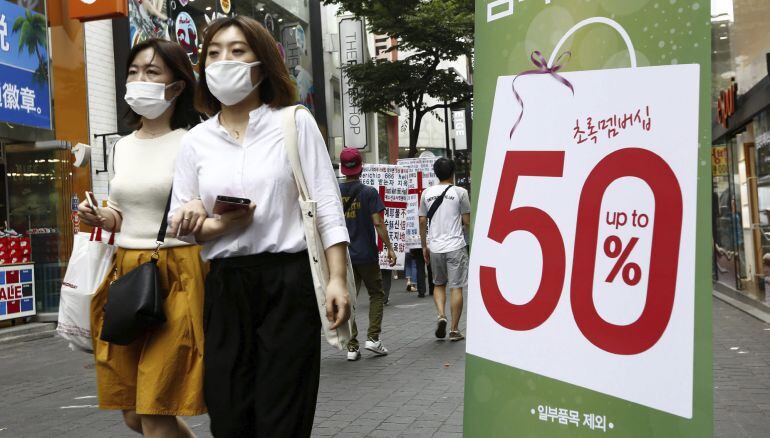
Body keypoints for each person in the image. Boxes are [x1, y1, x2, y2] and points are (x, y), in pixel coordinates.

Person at [168, 16, 351, 437]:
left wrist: (337, 278)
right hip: (225, 286)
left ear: (262, 62)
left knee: (282, 416)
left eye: (237, 51)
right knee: (229, 415)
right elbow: (183, 227)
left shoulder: (293, 122)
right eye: (213, 53)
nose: (223, 61)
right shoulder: (195, 142)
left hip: (288, 282)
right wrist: (211, 219)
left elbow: (325, 204)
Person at [78, 39, 207, 437]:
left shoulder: (195, 141)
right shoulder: (121, 147)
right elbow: (121, 211)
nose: (140, 80)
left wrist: (199, 209)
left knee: (156, 407)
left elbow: (209, 204)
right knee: (133, 411)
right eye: (134, 72)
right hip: (127, 275)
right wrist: (101, 215)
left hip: (178, 272)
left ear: (178, 85)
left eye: (152, 72)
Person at [338, 147, 396, 361]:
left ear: (343, 169)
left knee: (350, 299)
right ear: (361, 167)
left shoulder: (335, 191)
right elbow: (377, 222)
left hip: (343, 255)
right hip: (367, 254)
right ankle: (373, 338)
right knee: (377, 294)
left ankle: (351, 347)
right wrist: (389, 247)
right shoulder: (369, 192)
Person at [419, 157, 471, 342]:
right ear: (452, 173)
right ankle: (455, 330)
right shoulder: (461, 192)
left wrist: (425, 245)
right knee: (456, 287)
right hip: (455, 245)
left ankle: (441, 315)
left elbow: (423, 220)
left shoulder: (426, 193)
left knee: (438, 283)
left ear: (435, 173)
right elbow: (466, 222)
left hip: (435, 246)